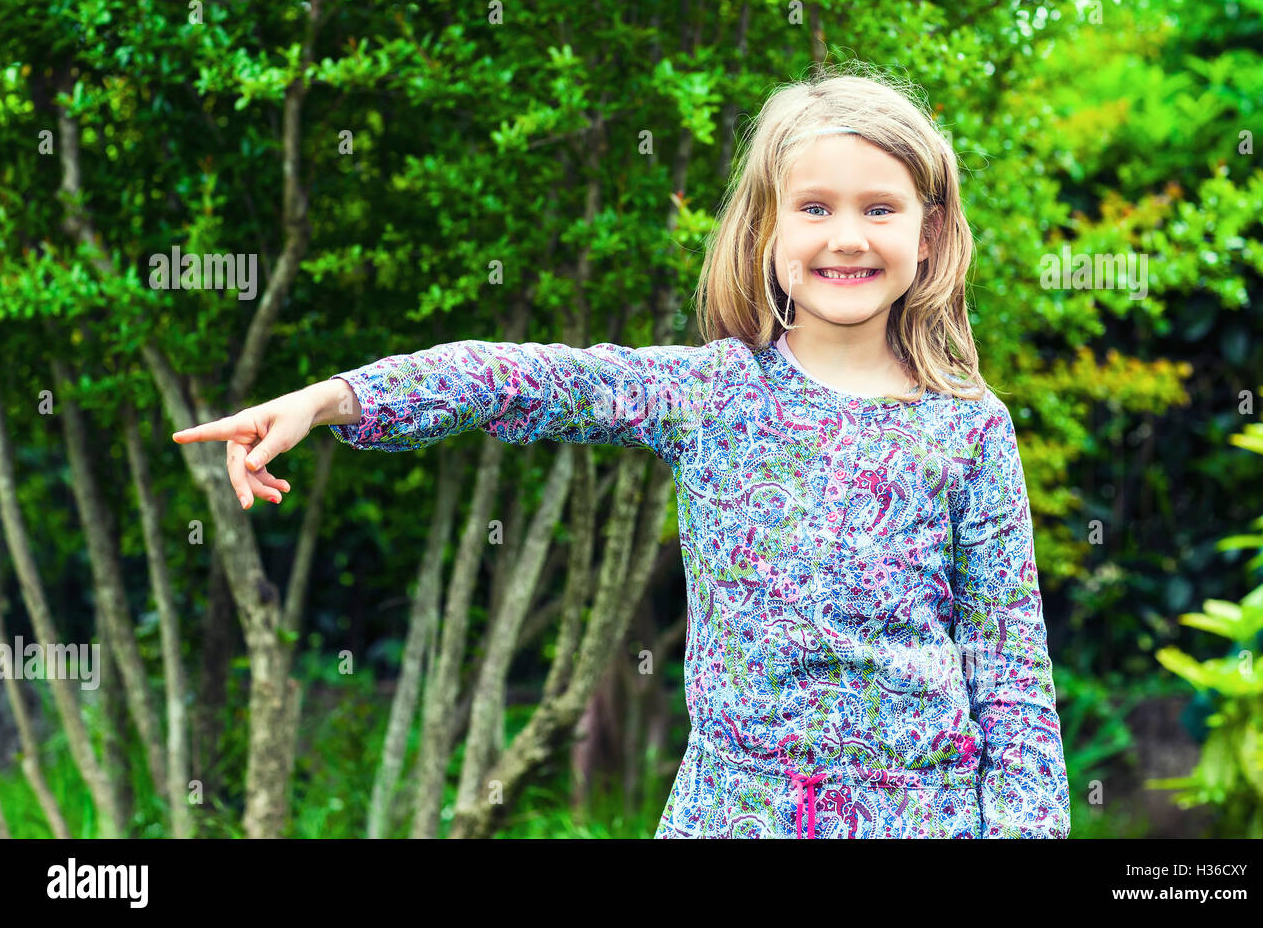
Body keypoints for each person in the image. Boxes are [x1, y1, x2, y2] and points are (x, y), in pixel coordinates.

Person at [173, 66, 1070, 839]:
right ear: (766, 231)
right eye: (815, 207)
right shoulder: (711, 394)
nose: (847, 236)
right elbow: (520, 379)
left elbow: (1012, 677)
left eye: (880, 208)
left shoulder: (969, 428)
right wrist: (337, 397)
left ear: (929, 231)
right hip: (734, 810)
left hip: (926, 815)